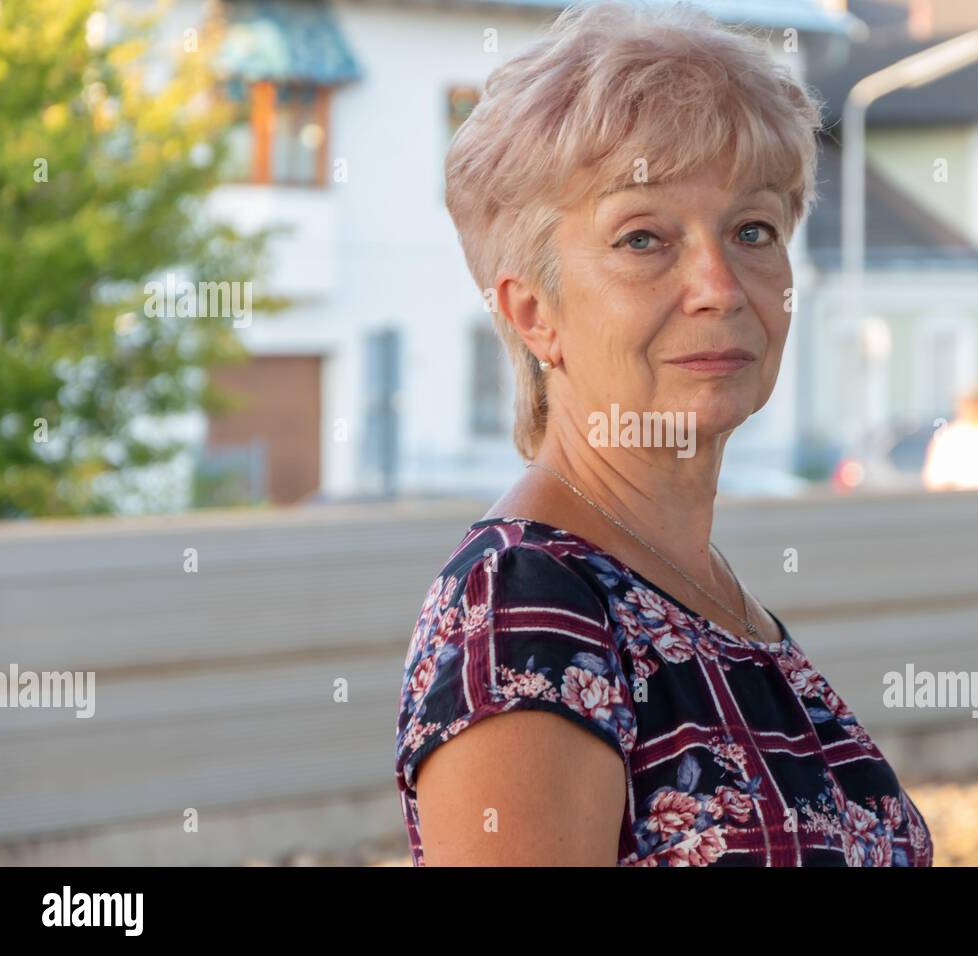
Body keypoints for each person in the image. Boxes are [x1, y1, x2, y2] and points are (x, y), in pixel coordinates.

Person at [394, 0, 933, 867]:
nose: (719, 285)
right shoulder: (528, 610)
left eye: (752, 229)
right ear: (534, 313)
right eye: (644, 238)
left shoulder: (708, 592)